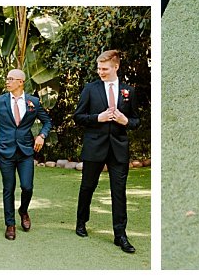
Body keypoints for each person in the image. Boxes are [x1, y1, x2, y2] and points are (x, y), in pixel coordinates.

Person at [74, 50, 140, 254]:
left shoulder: (129, 90)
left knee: (119, 192)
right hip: (95, 146)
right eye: (98, 68)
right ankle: (81, 222)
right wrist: (97, 118)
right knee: (87, 187)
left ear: (115, 67)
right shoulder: (90, 89)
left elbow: (136, 121)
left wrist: (125, 121)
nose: (100, 72)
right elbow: (78, 116)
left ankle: (120, 235)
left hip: (119, 148)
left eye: (104, 69)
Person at [0, 68, 52, 240]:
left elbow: (47, 121)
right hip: (4, 151)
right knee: (8, 188)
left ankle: (23, 210)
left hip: (26, 151)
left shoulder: (33, 102)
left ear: (21, 82)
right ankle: (10, 224)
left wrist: (42, 136)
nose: (7, 82)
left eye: (11, 79)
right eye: (7, 79)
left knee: (27, 187)